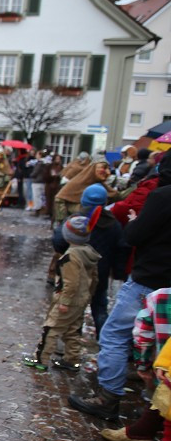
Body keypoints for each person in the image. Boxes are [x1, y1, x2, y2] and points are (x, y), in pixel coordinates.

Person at [69, 156, 171, 420]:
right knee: (165, 347)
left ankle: (108, 397)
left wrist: (136, 220)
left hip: (150, 278)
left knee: (115, 335)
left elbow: (134, 235)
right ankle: (156, 408)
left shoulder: (162, 197)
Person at [23, 215, 100, 373]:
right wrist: (88, 296)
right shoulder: (89, 253)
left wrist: (64, 301)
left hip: (69, 300)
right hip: (81, 299)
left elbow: (70, 282)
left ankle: (40, 358)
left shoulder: (70, 257)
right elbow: (95, 278)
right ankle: (72, 359)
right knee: (73, 328)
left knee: (52, 328)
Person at [51, 184, 128, 337]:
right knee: (99, 307)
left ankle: (70, 342)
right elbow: (122, 249)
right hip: (101, 272)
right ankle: (105, 340)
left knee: (72, 308)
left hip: (74, 271)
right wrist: (118, 272)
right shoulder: (114, 224)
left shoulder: (75, 220)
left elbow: (58, 240)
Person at [99, 287, 170, 441]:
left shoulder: (160, 297)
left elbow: (143, 336)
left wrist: (143, 365)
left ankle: (141, 432)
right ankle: (143, 431)